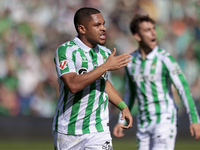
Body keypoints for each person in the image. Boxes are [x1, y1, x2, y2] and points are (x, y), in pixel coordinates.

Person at [113, 14, 200, 150]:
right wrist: (121, 120)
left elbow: (183, 88)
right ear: (137, 36)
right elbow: (130, 94)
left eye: (154, 29)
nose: (154, 33)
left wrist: (194, 119)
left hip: (164, 120)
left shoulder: (165, 59)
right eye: (147, 30)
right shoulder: (131, 63)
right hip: (143, 122)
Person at [52, 7, 133, 150]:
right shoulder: (66, 51)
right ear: (82, 29)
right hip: (68, 130)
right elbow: (72, 85)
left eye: (103, 24)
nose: (104, 29)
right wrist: (105, 66)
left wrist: (123, 106)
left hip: (98, 129)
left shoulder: (105, 53)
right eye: (97, 25)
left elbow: (103, 82)